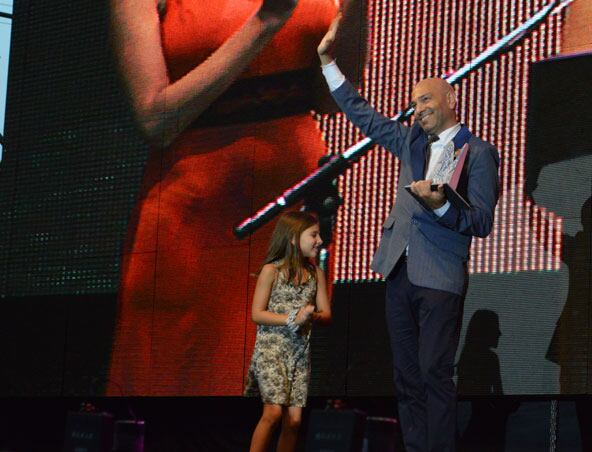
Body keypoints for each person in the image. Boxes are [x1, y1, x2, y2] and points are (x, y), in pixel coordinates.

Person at [106, 0, 345, 395]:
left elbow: (330, 98)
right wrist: (266, 22)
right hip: (195, 215)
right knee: (179, 377)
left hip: (290, 204)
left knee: (271, 382)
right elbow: (154, 119)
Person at [317, 14, 500, 452]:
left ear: (451, 98)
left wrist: (440, 208)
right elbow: (362, 115)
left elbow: (482, 221)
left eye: (426, 100)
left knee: (434, 373)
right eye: (415, 103)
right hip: (398, 270)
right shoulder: (410, 142)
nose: (418, 109)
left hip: (439, 276)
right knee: (405, 376)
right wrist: (328, 63)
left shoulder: (478, 152)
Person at [245, 211, 331, 452]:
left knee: (293, 421)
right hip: (271, 351)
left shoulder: (316, 274)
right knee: (272, 413)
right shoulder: (271, 271)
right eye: (313, 235)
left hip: (299, 356)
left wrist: (310, 316)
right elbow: (257, 314)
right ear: (293, 238)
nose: (319, 240)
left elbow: (326, 315)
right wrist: (292, 318)